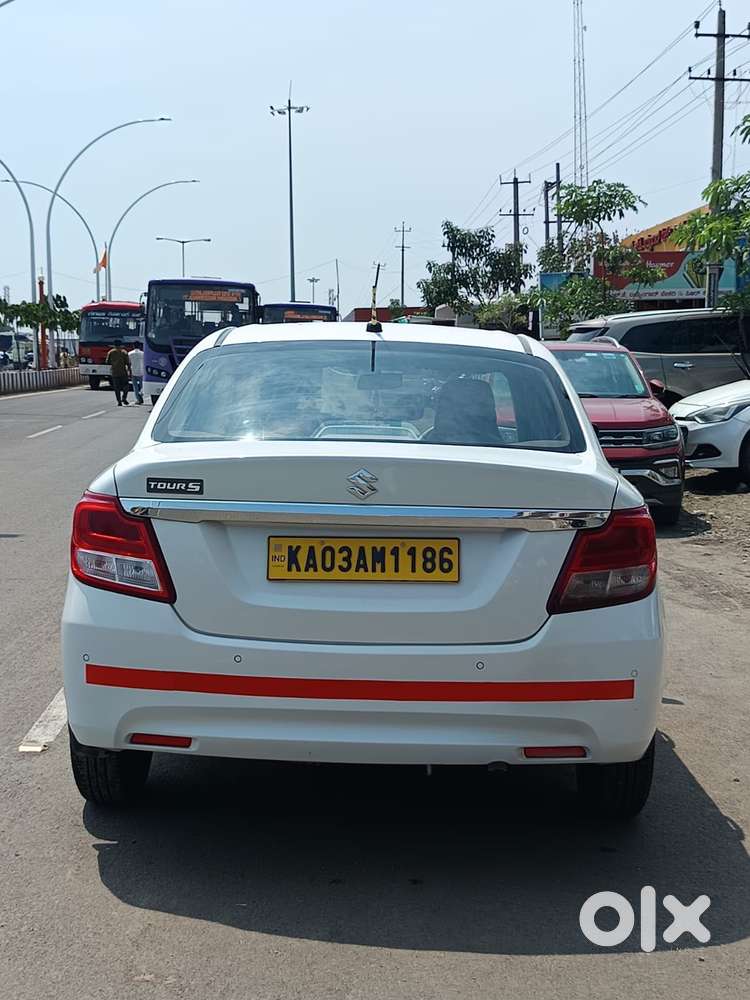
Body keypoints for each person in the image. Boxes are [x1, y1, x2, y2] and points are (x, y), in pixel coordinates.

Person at [106, 339, 131, 406]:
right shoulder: (124, 352)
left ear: (114, 345)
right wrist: (129, 371)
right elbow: (128, 363)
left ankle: (119, 401)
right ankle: (124, 398)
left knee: (117, 388)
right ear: (121, 345)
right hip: (123, 372)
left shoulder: (110, 352)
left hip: (114, 372)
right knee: (126, 386)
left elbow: (107, 362)